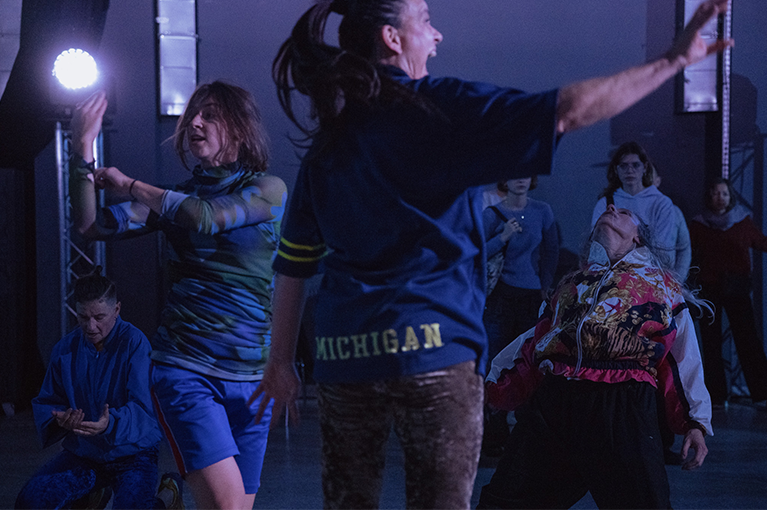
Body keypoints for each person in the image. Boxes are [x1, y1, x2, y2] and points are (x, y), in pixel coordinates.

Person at [250, 0, 731, 508]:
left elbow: (294, 264)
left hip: (346, 357)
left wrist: (280, 362)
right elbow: (569, 109)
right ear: (392, 38)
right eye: (425, 21)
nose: (436, 36)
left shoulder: (332, 139)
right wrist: (671, 61)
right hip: (433, 353)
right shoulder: (439, 107)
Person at [69, 82, 287, 510]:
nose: (195, 123)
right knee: (226, 506)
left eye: (210, 114)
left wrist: (130, 184)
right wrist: (82, 149)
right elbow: (91, 225)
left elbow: (205, 217)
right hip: (187, 370)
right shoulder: (172, 200)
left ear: (240, 128)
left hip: (253, 380)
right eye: (193, 115)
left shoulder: (268, 189)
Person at [478, 205, 712, 509]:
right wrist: (492, 385)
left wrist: (695, 421)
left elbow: (681, 358)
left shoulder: (660, 287)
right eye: (608, 209)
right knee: (505, 502)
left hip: (621, 406)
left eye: (624, 212)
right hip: (556, 402)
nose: (611, 208)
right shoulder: (573, 283)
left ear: (638, 237)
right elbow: (535, 342)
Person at [15, 271, 168, 510]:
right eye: (83, 317)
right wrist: (61, 419)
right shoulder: (65, 348)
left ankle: (168, 498)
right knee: (30, 501)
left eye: (99, 317)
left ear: (116, 310)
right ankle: (94, 494)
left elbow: (145, 408)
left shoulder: (134, 343)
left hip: (133, 453)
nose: (90, 326)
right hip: (85, 452)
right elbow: (48, 400)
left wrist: (110, 424)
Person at [481, 176, 558, 455]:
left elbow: (551, 251)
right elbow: (476, 253)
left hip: (531, 296)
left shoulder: (542, 210)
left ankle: (528, 434)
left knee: (530, 362)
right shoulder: (492, 214)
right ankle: (494, 432)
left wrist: (546, 285)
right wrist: (502, 236)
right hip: (500, 295)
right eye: (515, 174)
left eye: (527, 175)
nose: (521, 180)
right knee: (496, 362)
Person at [689, 178, 767, 406]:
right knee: (710, 342)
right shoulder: (699, 224)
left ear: (730, 197)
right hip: (709, 287)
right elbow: (687, 250)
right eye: (716, 193)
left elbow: (761, 242)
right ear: (709, 196)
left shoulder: (742, 221)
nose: (720, 198)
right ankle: (716, 395)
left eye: (724, 193)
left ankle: (762, 393)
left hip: (737, 287)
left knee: (747, 339)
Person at [590, 141, 679, 274]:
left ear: (645, 167)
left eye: (635, 165)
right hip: (609, 273)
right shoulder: (605, 203)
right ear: (616, 169)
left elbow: (665, 249)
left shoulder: (661, 203)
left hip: (650, 274)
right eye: (624, 166)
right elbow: (596, 245)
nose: (630, 170)